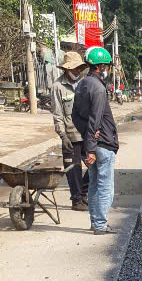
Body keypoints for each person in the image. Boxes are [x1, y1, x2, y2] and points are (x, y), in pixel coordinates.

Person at [72, 46, 119, 235]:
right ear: (99, 66)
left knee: (92, 184)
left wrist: (86, 140)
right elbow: (95, 119)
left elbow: (75, 116)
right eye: (106, 66)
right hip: (102, 145)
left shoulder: (82, 84)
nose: (107, 69)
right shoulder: (98, 88)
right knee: (105, 186)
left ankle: (95, 222)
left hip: (91, 142)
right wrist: (91, 148)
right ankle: (100, 224)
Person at [51, 51, 90, 211]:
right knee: (73, 170)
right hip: (70, 135)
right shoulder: (58, 87)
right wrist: (62, 135)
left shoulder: (86, 83)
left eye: (78, 69)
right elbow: (57, 113)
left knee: (97, 164)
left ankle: (84, 192)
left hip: (87, 133)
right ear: (66, 69)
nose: (76, 72)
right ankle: (76, 200)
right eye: (73, 69)